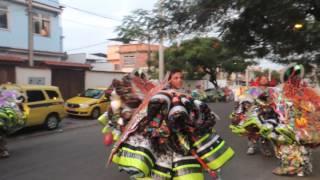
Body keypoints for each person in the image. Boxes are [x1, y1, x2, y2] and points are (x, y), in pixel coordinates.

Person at [100, 69, 234, 179]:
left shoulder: (183, 94)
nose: (179, 80)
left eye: (181, 77)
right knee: (164, 168)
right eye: (176, 77)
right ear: (169, 79)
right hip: (164, 137)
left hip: (180, 135)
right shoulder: (161, 94)